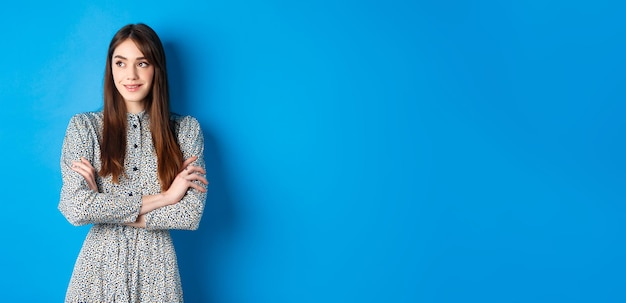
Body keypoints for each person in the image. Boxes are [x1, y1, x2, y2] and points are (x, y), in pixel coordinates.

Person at [58, 23, 208, 303]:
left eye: (142, 63)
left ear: (156, 69)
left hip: (158, 271)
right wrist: (165, 197)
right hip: (97, 271)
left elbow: (189, 216)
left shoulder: (186, 131)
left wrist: (102, 205)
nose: (131, 75)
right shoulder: (84, 128)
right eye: (120, 63)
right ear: (110, 68)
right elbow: (76, 208)